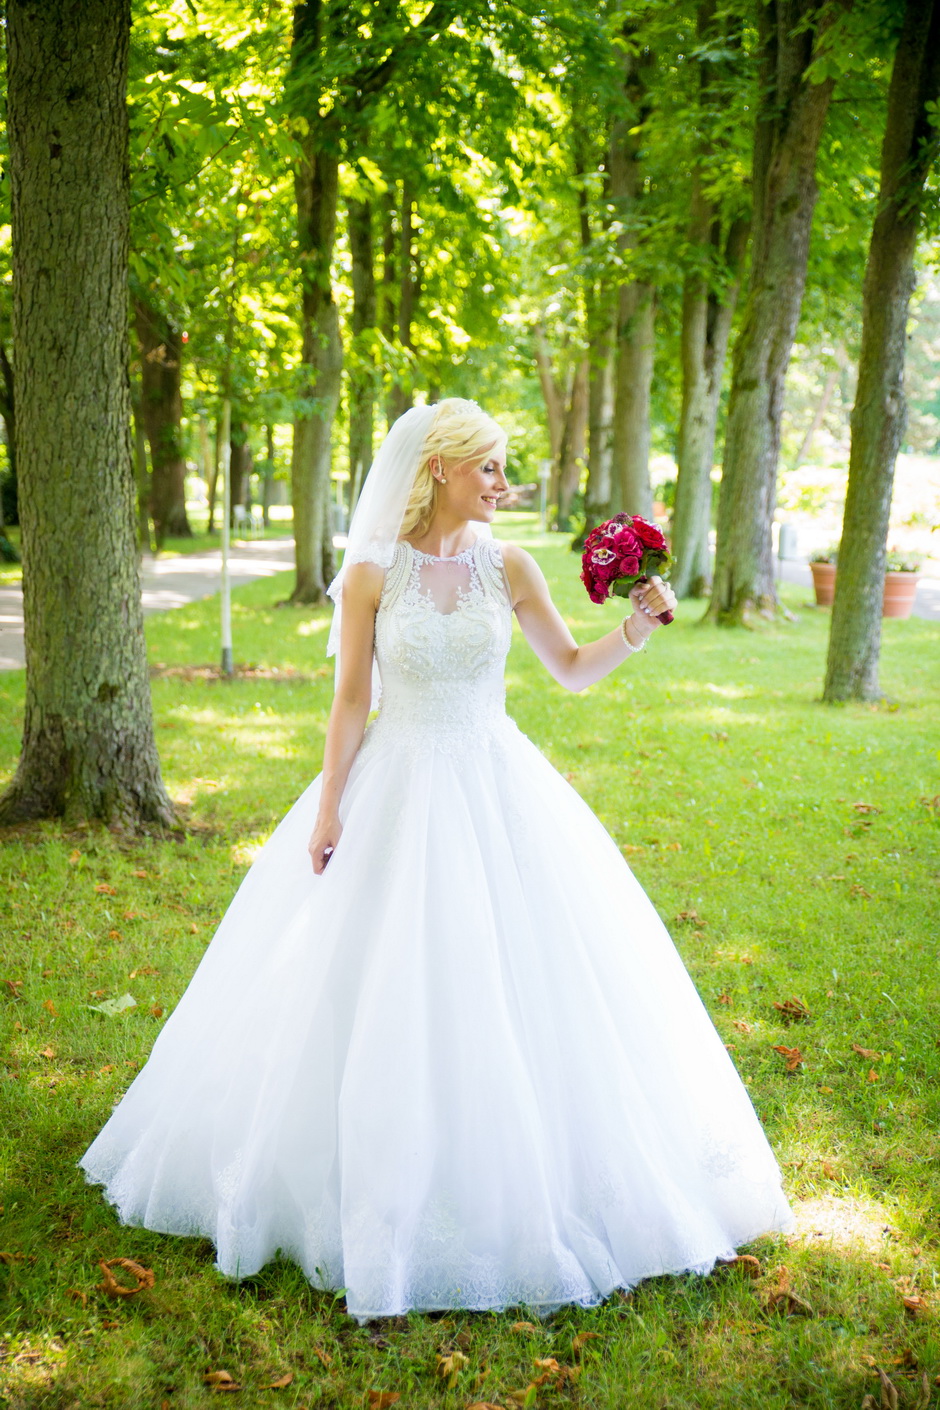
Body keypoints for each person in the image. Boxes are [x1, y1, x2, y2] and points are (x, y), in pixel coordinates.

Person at [79, 398, 794, 1324]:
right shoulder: (374, 573)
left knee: (522, 979)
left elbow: (570, 670)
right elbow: (348, 702)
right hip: (397, 783)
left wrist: (638, 629)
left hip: (497, 783)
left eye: (505, 467)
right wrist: (329, 805)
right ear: (438, 470)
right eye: (489, 468)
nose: (504, 484)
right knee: (379, 981)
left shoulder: (512, 566)